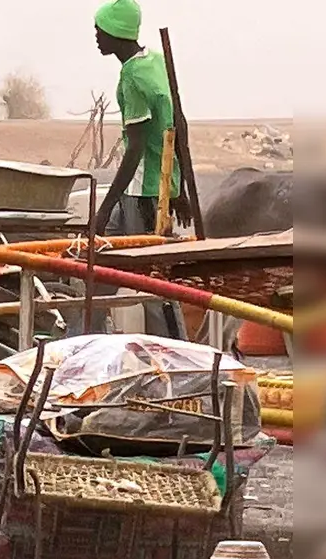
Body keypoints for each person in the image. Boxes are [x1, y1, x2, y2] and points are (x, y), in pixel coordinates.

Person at [90, 1, 187, 337]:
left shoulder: (132, 76)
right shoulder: (156, 62)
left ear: (116, 32)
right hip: (145, 189)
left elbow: (134, 150)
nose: (96, 37)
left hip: (143, 193)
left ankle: (181, 359)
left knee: (153, 287)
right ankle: (80, 344)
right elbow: (180, 125)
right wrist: (181, 186)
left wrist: (102, 210)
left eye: (100, 30)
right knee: (97, 268)